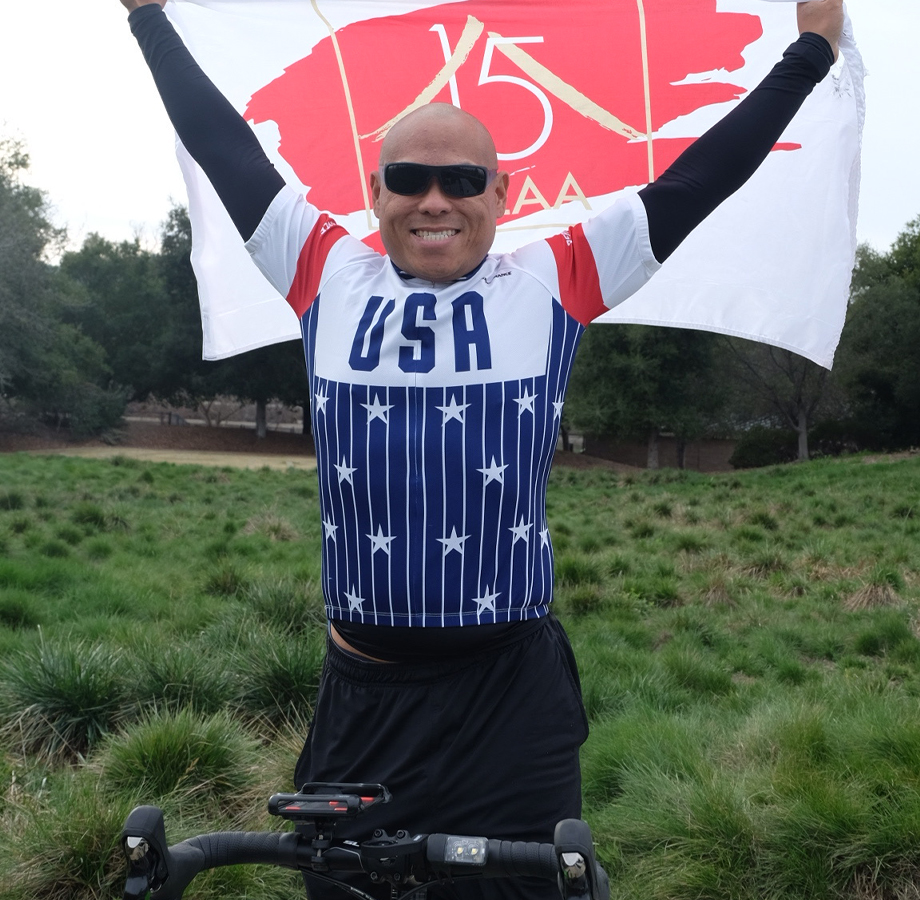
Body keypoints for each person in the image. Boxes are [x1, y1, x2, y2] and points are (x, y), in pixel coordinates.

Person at [119, 3, 844, 899]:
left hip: (511, 698)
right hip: (367, 695)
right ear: (374, 189)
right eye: (409, 177)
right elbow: (222, 142)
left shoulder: (557, 279)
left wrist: (810, 52)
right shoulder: (320, 269)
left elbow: (701, 178)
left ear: (504, 194)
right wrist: (148, 17)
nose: (435, 199)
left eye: (462, 179)